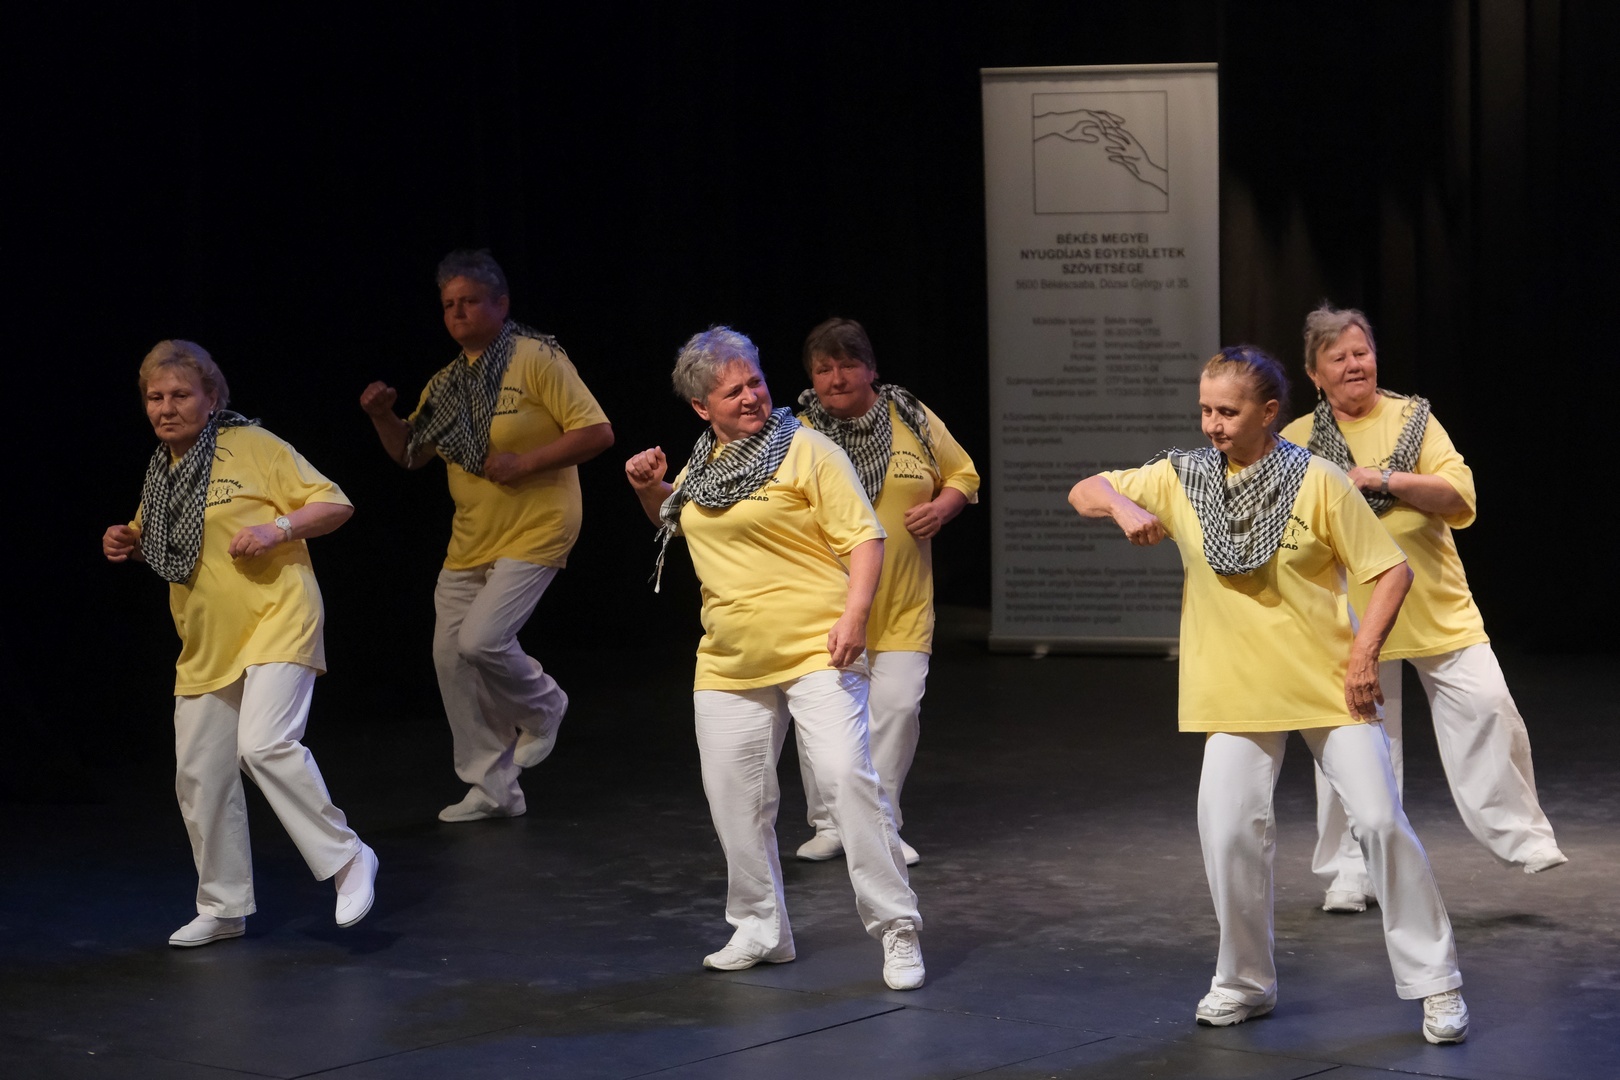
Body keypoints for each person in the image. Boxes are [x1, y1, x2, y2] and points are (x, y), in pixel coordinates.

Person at [1068, 346, 1469, 1044]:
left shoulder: (1318, 480)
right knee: (1227, 831)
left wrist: (1365, 655)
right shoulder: (1183, 476)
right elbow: (1085, 489)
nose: (1213, 424)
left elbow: (1392, 571)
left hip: (1327, 684)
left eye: (1228, 411)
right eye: (1205, 410)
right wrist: (1123, 506)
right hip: (1235, 688)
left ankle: (1437, 983)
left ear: (1269, 413)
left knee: (1379, 822)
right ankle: (1245, 982)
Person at [624, 326, 926, 990]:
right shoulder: (703, 467)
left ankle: (897, 926)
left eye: (754, 381)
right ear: (701, 407)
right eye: (732, 391)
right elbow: (681, 520)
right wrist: (650, 490)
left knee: (847, 781)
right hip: (728, 659)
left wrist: (855, 616)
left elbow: (866, 538)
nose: (751, 396)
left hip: (819, 646)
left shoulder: (807, 449)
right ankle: (761, 927)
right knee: (735, 800)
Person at [1281, 305, 1565, 913]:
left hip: (1434, 602)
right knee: (1355, 748)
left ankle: (1522, 836)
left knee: (1489, 709)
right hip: (1349, 617)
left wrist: (1381, 479)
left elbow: (1459, 493)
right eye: (1338, 357)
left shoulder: (1413, 419)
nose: (1354, 365)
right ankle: (1352, 871)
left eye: (1361, 352)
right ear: (1314, 374)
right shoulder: (1298, 439)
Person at [103, 340, 377, 947]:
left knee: (265, 744)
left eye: (181, 394)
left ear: (212, 398)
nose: (166, 408)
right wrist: (126, 540)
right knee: (201, 776)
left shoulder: (252, 445)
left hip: (278, 615)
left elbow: (335, 504)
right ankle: (224, 906)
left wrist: (277, 527)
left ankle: (348, 857)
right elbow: (165, 546)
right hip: (207, 638)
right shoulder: (162, 473)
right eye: (155, 397)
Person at [360, 249, 614, 823]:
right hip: (472, 536)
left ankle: (545, 706)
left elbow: (597, 432)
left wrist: (525, 462)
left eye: (470, 301)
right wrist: (382, 417)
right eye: (449, 304)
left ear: (501, 304)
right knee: (450, 657)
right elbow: (410, 453)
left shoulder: (537, 358)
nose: (457, 312)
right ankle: (494, 788)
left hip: (539, 524)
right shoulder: (447, 382)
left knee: (482, 640)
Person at [790, 318, 979, 867]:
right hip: (825, 605)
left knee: (896, 711)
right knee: (826, 721)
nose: (836, 378)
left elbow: (963, 474)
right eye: (823, 369)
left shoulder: (909, 415)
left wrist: (942, 507)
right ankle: (830, 822)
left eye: (848, 365)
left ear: (871, 368)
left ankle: (881, 823)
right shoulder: (796, 432)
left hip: (902, 601)